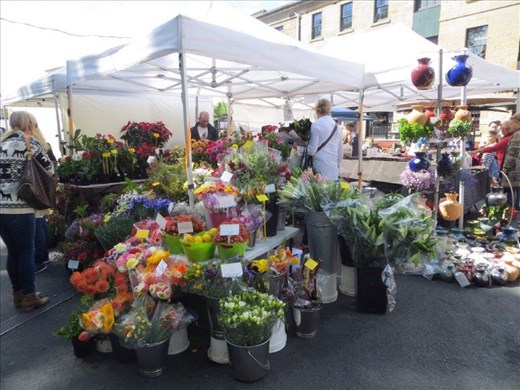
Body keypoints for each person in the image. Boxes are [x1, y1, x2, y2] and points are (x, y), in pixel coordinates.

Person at [0, 111, 54, 311]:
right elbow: (49, 170)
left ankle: (18, 294)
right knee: (26, 252)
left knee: (13, 252)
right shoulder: (29, 143)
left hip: (1, 209)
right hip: (21, 208)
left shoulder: (1, 144)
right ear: (29, 123)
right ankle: (30, 296)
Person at [32, 125, 57, 273]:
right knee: (41, 219)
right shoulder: (44, 145)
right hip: (44, 187)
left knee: (37, 221)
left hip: (33, 188)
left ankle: (38, 260)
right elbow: (53, 165)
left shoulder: (30, 146)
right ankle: (43, 255)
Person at [307, 99, 343, 180]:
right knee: (331, 192)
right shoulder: (337, 127)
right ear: (329, 110)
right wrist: (337, 166)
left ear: (317, 110)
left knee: (319, 191)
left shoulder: (316, 125)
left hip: (320, 168)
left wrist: (299, 148)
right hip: (333, 169)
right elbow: (340, 153)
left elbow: (311, 151)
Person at [502, 113, 520, 221]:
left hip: (514, 172)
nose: (511, 126)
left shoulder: (518, 135)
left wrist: (506, 167)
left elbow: (512, 153)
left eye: (512, 124)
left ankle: (510, 219)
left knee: (512, 196)